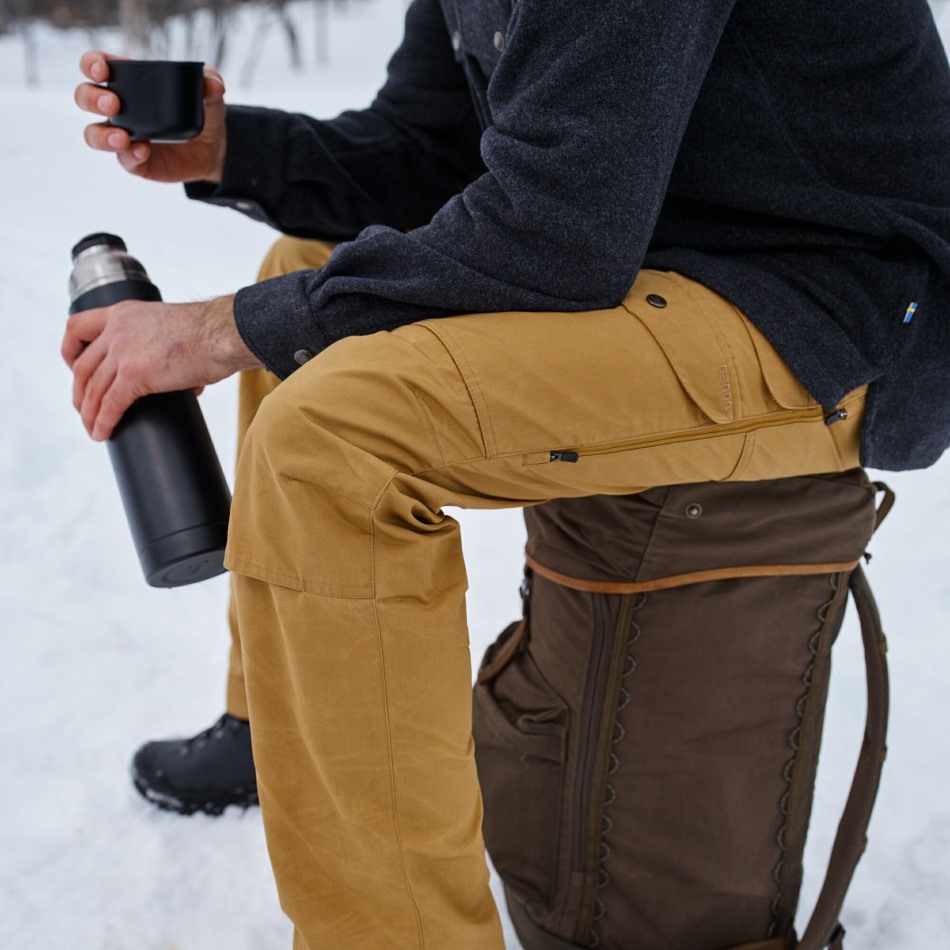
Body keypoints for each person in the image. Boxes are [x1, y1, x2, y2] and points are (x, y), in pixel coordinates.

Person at [65, 1, 950, 947]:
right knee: (304, 275)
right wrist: (229, 148)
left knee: (334, 435)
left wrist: (214, 331)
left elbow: (557, 230)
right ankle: (281, 729)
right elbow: (433, 156)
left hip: (823, 307)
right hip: (648, 252)